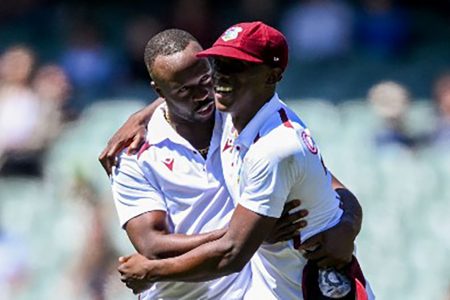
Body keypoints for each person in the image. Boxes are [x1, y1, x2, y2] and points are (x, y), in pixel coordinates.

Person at [116, 22, 373, 300]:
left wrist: (347, 223)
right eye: (219, 63)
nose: (217, 80)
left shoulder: (267, 140)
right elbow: (153, 245)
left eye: (237, 67)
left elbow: (233, 253)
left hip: (312, 289)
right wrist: (250, 232)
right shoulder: (138, 149)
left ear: (272, 76)